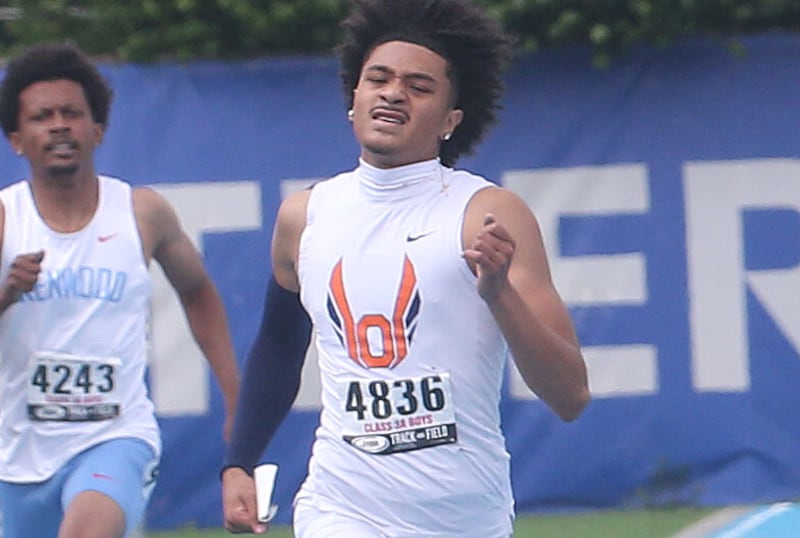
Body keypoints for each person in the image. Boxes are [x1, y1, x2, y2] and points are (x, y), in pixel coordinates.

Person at [222, 0, 590, 535]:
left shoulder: (485, 214)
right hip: (341, 504)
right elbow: (279, 347)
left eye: (419, 86)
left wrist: (498, 294)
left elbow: (570, 395)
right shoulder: (304, 217)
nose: (394, 92)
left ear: (450, 120)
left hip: (465, 514)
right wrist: (240, 461)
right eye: (379, 79)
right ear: (354, 100)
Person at [0, 43, 240, 538]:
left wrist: (239, 402)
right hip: (16, 451)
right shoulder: (6, 220)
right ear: (17, 139)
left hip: (114, 435)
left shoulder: (142, 213)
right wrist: (6, 293)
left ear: (98, 129)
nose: (60, 125)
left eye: (72, 113)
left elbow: (198, 292)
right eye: (42, 117)